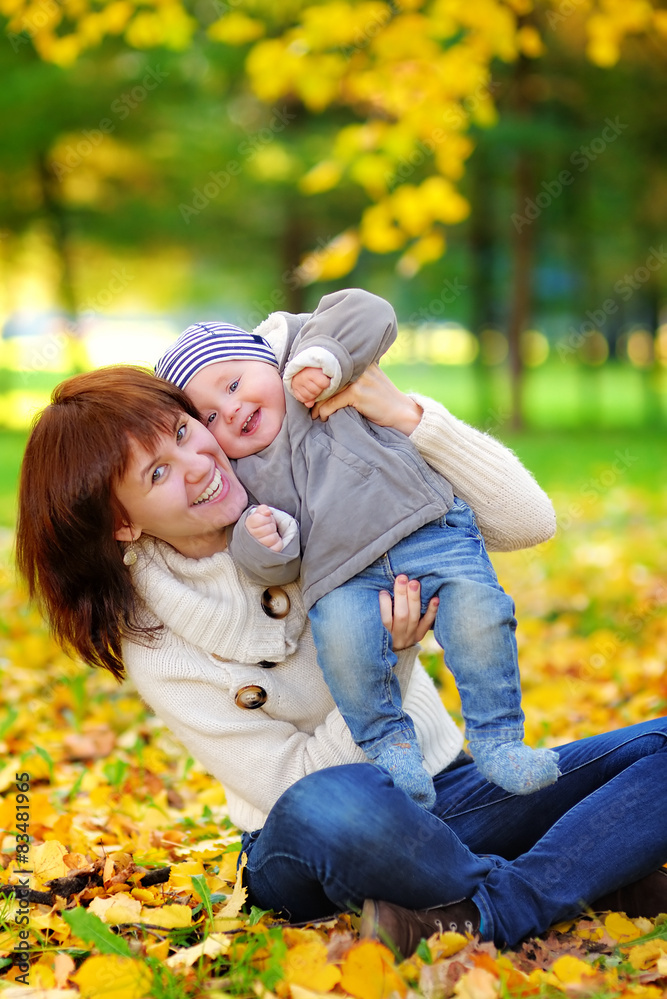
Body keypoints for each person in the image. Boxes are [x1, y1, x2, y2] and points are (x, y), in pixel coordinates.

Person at [16, 364, 667, 957]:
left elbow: (526, 522)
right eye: (156, 473)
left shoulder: (309, 490)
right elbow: (289, 785)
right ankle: (586, 874)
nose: (196, 464)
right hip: (309, 838)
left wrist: (412, 419)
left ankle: (505, 903)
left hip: (445, 789)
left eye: (184, 431)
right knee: (339, 802)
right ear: (122, 525)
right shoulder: (156, 640)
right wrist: (387, 662)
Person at [154, 288, 559, 808]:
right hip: (343, 577)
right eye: (208, 417)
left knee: (481, 618)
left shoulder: (320, 378)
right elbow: (264, 563)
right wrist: (265, 541)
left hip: (430, 532)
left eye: (234, 384)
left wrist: (324, 361)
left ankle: (499, 738)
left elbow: (367, 312)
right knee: (346, 650)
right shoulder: (240, 474)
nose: (230, 411)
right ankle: (390, 747)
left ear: (267, 357)